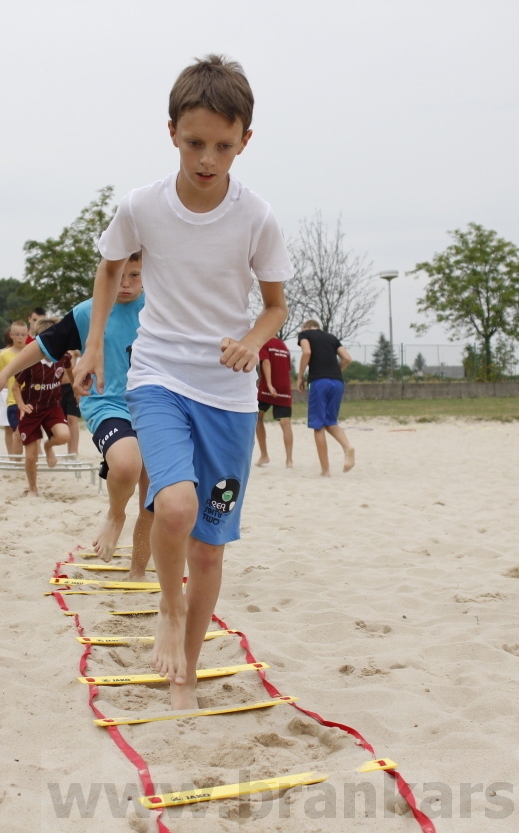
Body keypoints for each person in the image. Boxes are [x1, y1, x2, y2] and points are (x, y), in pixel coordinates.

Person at [72, 54, 292, 710]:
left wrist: (253, 340)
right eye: (194, 142)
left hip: (227, 397)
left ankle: (187, 671)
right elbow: (109, 270)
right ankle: (168, 607)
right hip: (160, 377)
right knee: (173, 505)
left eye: (223, 146)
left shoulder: (258, 217)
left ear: (244, 142)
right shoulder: (143, 206)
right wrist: (92, 345)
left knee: (210, 547)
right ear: (172, 132)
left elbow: (276, 305)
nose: (207, 158)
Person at [0, 254, 153, 577]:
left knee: (153, 496)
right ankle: (115, 513)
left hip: (154, 406)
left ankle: (137, 570)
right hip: (107, 403)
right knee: (128, 465)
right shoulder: (88, 311)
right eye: (118, 276)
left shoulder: (159, 307)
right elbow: (42, 346)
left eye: (134, 275)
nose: (126, 284)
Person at [12, 318, 72, 496]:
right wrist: (21, 405)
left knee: (64, 435)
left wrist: (76, 388)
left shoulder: (64, 357)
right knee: (31, 456)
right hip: (31, 409)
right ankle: (33, 488)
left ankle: (48, 446)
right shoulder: (29, 361)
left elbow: (69, 370)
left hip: (52, 406)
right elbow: (15, 386)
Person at [297, 320, 355, 476]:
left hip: (319, 382)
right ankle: (347, 447)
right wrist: (335, 371)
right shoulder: (332, 337)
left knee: (318, 426)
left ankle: (325, 470)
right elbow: (347, 358)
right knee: (331, 421)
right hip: (337, 382)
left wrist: (300, 376)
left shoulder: (304, 334)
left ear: (305, 327)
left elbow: (307, 352)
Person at [0, 322, 28, 456]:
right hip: (13, 401)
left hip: (31, 401)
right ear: (11, 335)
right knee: (17, 432)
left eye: (23, 334)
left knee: (32, 435)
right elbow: (1, 378)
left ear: (27, 335)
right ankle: (15, 463)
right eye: (17, 334)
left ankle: (31, 461)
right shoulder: (4, 355)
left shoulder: (32, 352)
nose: (20, 337)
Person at [254, 335, 293, 467]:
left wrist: (269, 384)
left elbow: (266, 362)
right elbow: (288, 368)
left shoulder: (264, 342)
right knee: (285, 422)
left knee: (257, 417)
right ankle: (289, 460)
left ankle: (264, 455)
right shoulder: (283, 346)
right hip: (284, 386)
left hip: (268, 387)